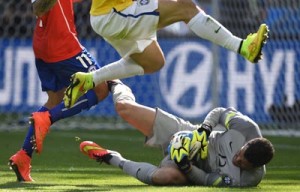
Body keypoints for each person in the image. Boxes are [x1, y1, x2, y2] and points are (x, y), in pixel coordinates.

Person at [63, 0, 269, 108]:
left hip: (110, 17)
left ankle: (89, 80)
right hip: (115, 14)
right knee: (186, 8)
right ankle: (242, 47)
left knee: (154, 62)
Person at [80, 80, 274, 187]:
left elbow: (207, 180)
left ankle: (111, 158)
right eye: (239, 154)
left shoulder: (246, 180)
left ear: (255, 167)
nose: (236, 160)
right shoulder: (247, 128)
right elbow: (220, 112)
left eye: (241, 164)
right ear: (247, 144)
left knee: (166, 178)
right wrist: (204, 131)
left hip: (192, 166)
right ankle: (115, 83)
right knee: (125, 108)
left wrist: (187, 166)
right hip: (189, 134)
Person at [8, 0, 110, 182]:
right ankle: (48, 118)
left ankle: (23, 157)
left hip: (43, 45)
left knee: (55, 101)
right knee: (102, 88)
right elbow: (38, 7)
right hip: (63, 45)